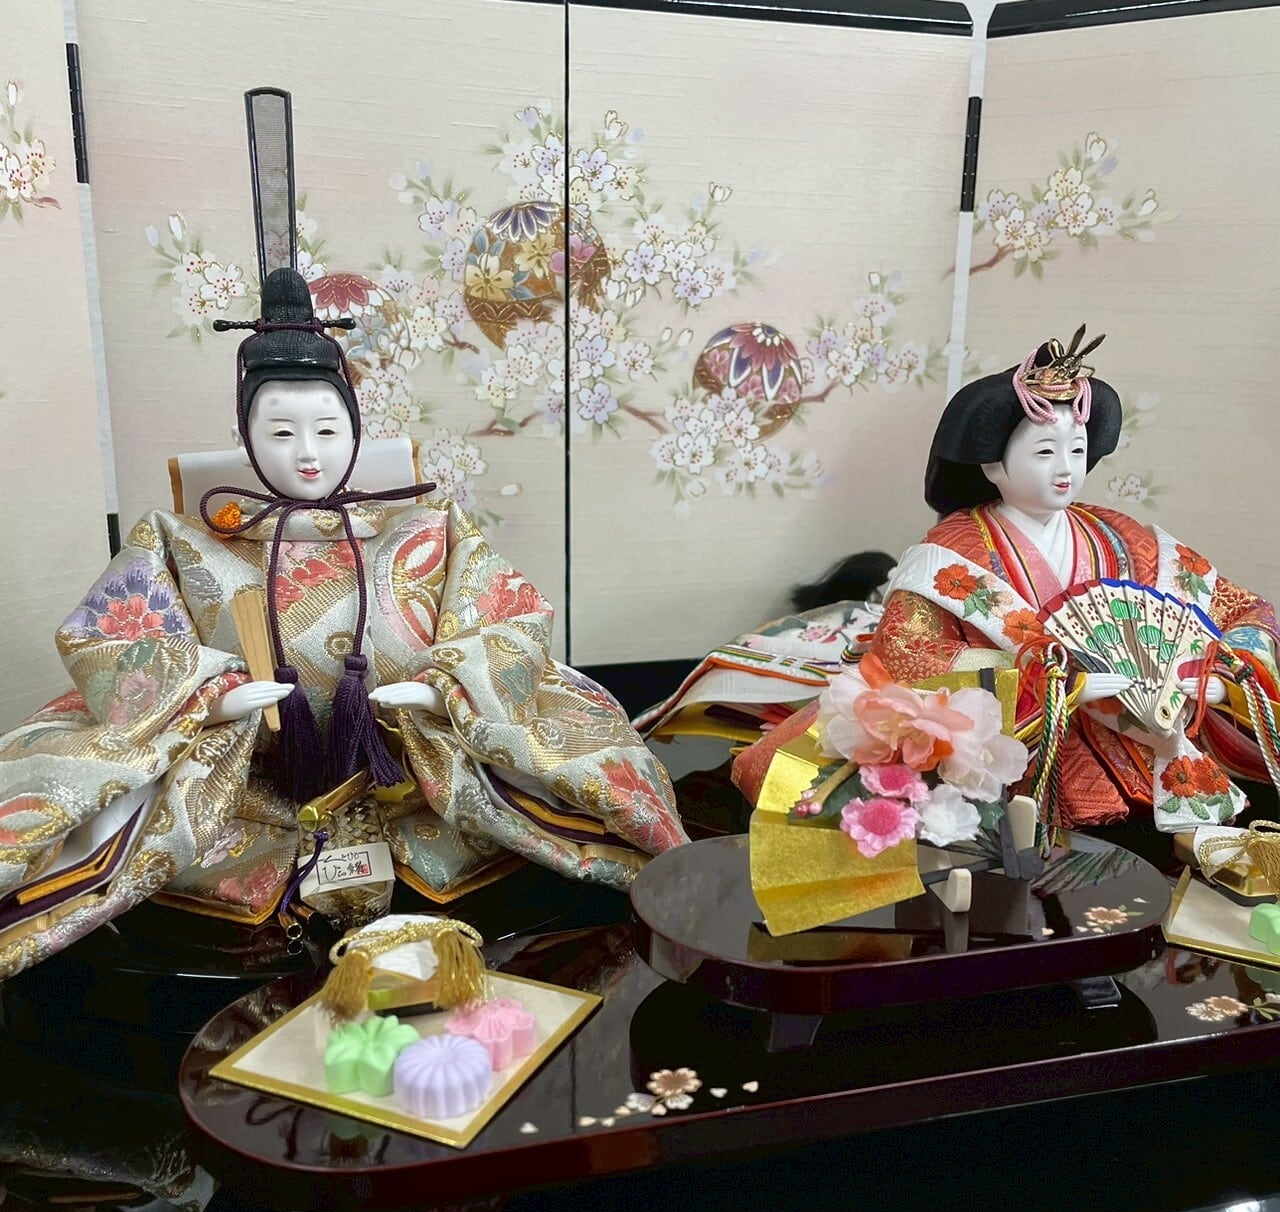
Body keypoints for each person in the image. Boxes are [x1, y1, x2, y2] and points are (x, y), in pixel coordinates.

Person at [0, 93, 685, 978]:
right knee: (68, 786)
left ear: (356, 431)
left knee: (585, 742)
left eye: (327, 429)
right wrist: (209, 692)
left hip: (416, 773)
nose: (308, 453)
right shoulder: (177, 538)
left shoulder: (426, 526)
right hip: (240, 782)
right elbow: (105, 639)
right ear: (246, 435)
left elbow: (510, 621)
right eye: (281, 431)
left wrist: (448, 688)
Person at [736, 330, 1280, 833]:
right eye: (1045, 451)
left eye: (1077, 450)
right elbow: (909, 655)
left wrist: (1216, 672)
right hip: (1021, 752)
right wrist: (1053, 682)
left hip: (1147, 746)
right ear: (993, 466)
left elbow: (1241, 610)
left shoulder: (1123, 536)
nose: (1065, 468)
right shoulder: (955, 549)